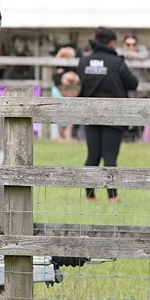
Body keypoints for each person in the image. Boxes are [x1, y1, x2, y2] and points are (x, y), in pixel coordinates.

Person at [79, 27, 139, 201]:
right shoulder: (116, 62)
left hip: (90, 113)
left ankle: (90, 196)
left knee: (93, 155)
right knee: (110, 156)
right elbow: (132, 83)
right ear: (112, 42)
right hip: (114, 113)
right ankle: (113, 197)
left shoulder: (84, 62)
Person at [50, 45, 79, 141]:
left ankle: (67, 136)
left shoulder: (74, 67)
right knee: (60, 115)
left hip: (70, 93)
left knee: (70, 116)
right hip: (60, 92)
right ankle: (61, 136)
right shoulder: (58, 69)